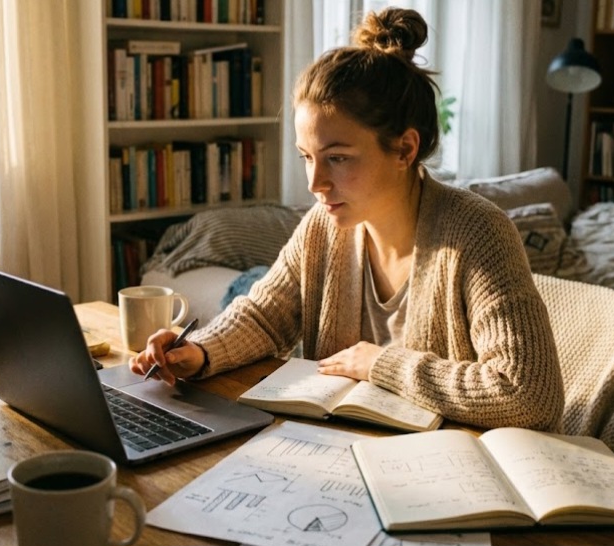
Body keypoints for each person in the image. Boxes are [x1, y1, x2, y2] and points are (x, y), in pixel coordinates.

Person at [129, 7, 564, 432]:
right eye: (307, 158)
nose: (315, 182)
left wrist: (382, 364)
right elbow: (264, 315)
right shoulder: (323, 227)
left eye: (337, 158)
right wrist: (199, 351)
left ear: (405, 150)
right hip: (338, 455)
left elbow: (528, 395)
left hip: (447, 475)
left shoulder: (477, 232)